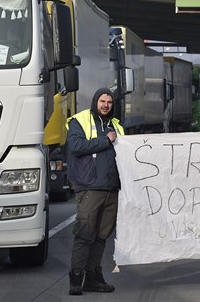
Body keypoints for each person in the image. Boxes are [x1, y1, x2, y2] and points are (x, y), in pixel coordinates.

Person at [66, 88, 125, 296]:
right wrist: (106, 140)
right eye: (102, 101)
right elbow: (75, 146)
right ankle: (76, 279)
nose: (106, 105)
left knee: (101, 237)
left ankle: (92, 278)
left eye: (109, 102)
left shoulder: (116, 125)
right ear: (95, 101)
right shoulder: (79, 120)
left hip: (111, 189)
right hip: (90, 187)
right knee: (84, 235)